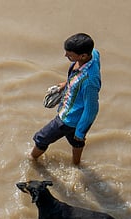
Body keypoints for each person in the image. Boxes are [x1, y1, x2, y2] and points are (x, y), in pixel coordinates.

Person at [31, 33, 101, 167]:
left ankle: (31, 161)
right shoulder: (94, 55)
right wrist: (66, 85)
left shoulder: (89, 82)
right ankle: (77, 165)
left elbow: (91, 109)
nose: (65, 56)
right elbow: (95, 55)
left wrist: (81, 131)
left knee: (41, 138)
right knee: (76, 141)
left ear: (83, 56)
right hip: (74, 115)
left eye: (70, 56)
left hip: (68, 119)